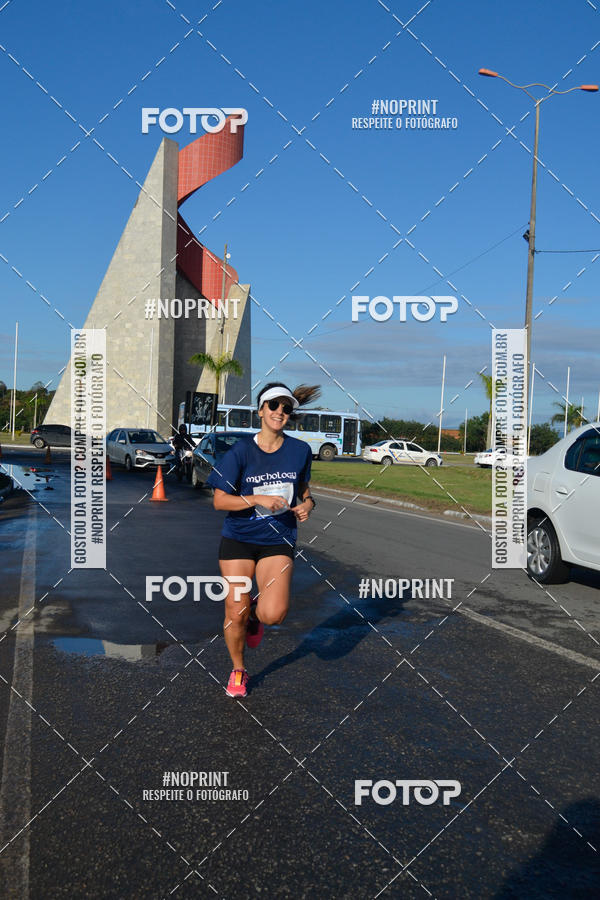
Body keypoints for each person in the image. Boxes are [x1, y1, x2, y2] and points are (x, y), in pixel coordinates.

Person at [207, 382, 320, 697]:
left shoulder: (299, 451)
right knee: (234, 610)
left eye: (285, 408)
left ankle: (255, 614)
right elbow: (220, 501)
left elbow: (306, 493)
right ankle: (238, 670)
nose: (279, 412)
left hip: (278, 539)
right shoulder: (241, 451)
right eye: (273, 406)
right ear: (260, 410)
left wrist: (308, 505)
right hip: (239, 539)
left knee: (274, 614)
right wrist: (257, 499)